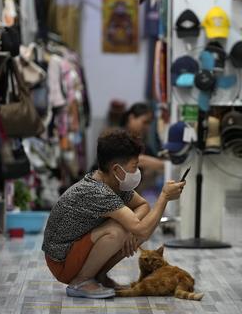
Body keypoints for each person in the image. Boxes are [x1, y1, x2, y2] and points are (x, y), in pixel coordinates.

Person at [42, 128, 185, 299]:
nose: (137, 171)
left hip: (75, 251)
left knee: (129, 229)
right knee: (118, 230)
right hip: (61, 262)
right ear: (117, 169)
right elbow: (143, 228)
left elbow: (143, 205)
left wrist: (133, 229)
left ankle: (99, 277)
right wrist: (164, 197)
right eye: (134, 167)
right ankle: (81, 281)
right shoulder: (97, 191)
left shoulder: (114, 182)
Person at [120, 102, 164, 172]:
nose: (147, 127)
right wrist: (167, 166)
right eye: (145, 122)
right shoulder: (117, 138)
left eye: (149, 123)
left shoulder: (142, 145)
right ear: (131, 118)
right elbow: (138, 160)